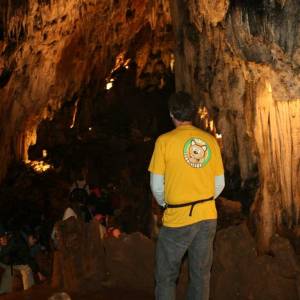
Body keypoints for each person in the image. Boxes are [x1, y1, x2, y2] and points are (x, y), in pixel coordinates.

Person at [148, 91, 225, 300]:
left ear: (172, 113)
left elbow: (156, 185)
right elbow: (220, 184)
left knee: (166, 276)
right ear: (194, 113)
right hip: (207, 216)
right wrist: (205, 199)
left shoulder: (164, 141)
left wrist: (167, 203)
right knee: (201, 276)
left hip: (178, 219)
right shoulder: (210, 141)